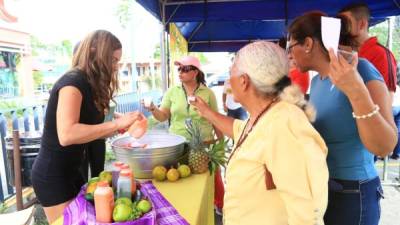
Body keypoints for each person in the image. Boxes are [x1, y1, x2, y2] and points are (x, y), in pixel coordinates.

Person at [190, 41, 329, 225]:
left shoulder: (284, 123)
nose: (228, 81)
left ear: (243, 80)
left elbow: (306, 212)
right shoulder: (265, 115)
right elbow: (240, 130)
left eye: (231, 72)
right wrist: (207, 112)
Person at [287, 11, 397, 225]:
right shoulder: (318, 81)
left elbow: (386, 146)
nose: (289, 54)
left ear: (308, 44)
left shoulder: (361, 70)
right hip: (324, 186)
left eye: (290, 47)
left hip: (353, 192)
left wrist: (356, 90)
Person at [31, 30, 143, 223]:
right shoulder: (72, 82)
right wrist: (115, 124)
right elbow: (67, 134)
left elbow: (89, 130)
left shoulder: (89, 83)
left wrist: (117, 128)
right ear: (95, 53)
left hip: (72, 172)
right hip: (53, 176)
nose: (116, 67)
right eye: (113, 60)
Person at [143, 55, 225, 212]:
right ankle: (185, 210)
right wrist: (153, 109)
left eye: (185, 69)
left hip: (204, 145)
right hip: (178, 145)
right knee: (181, 179)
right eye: (179, 69)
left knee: (210, 178)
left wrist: (220, 145)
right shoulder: (172, 92)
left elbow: (216, 120)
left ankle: (218, 206)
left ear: (195, 72)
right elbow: (163, 116)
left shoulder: (208, 93)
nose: (180, 72)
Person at [339, 3, 397, 102]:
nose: (342, 29)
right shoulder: (345, 53)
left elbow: (387, 100)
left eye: (345, 23)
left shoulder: (381, 54)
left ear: (361, 24)